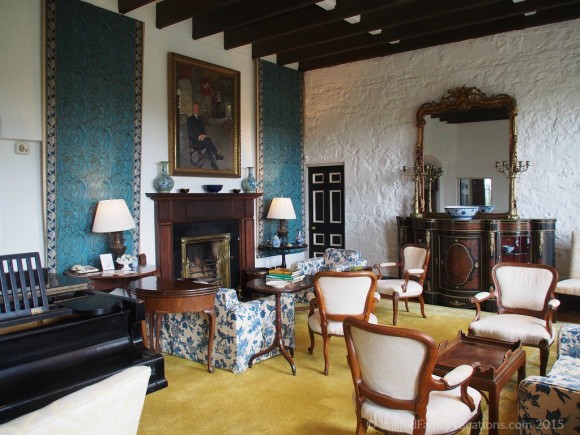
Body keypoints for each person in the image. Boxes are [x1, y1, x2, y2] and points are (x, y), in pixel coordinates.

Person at [187, 102, 223, 169]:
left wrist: (204, 135)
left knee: (207, 140)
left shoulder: (200, 119)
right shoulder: (190, 120)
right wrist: (198, 137)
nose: (196, 109)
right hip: (195, 141)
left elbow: (203, 131)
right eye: (195, 108)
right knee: (208, 141)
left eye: (197, 108)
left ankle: (213, 160)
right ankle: (215, 156)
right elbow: (190, 133)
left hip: (202, 139)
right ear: (193, 109)